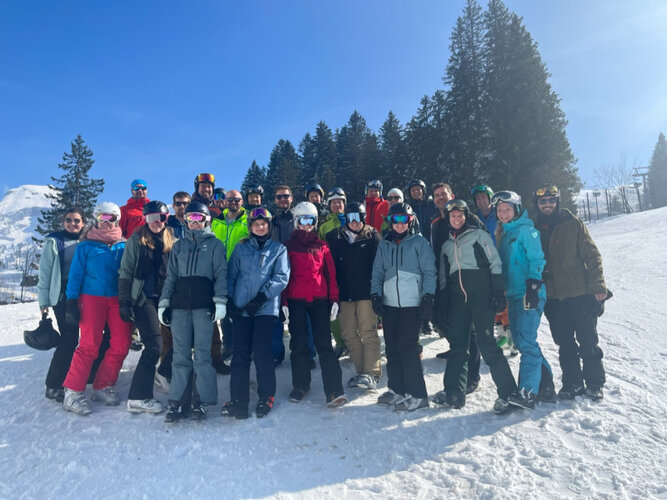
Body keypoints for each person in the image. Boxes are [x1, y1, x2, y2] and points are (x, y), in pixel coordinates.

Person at [433, 199, 519, 414]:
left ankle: (509, 394)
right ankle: (453, 392)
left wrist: (498, 292)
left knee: (487, 344)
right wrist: (442, 304)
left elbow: (495, 262)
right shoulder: (446, 246)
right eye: (453, 216)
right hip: (458, 301)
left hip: (482, 298)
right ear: (448, 219)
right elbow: (444, 277)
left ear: (466, 216)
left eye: (460, 215)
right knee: (458, 346)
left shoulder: (479, 235)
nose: (457, 219)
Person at [533, 184, 609, 401]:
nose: (547, 204)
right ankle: (572, 383)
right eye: (543, 201)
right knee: (565, 343)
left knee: (588, 341)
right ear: (537, 204)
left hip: (580, 293)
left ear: (557, 201)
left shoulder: (572, 223)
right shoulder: (534, 228)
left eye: (551, 200)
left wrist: (598, 286)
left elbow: (592, 255)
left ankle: (594, 383)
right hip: (553, 297)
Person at [158, 202, 227, 422]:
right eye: (191, 218)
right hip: (179, 307)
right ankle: (178, 401)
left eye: (199, 218)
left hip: (203, 306)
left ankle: (201, 400)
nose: (195, 222)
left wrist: (220, 301)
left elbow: (221, 275)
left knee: (203, 356)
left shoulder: (215, 245)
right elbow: (171, 277)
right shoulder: (178, 246)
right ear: (185, 221)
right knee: (180, 355)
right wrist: (164, 302)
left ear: (207, 220)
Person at [61, 202, 131, 415]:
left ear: (117, 220)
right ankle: (72, 392)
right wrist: (72, 301)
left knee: (122, 343)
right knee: (89, 344)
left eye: (111, 218)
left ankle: (103, 385)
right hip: (91, 298)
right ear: (96, 219)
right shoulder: (86, 246)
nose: (106, 222)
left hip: (116, 298)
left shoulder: (123, 245)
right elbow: (75, 275)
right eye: (102, 217)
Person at [222, 207, 290, 419]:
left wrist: (261, 298)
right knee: (240, 353)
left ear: (269, 226)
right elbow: (231, 274)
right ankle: (239, 400)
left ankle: (266, 396)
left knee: (262, 352)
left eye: (263, 224)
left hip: (265, 309)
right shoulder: (241, 249)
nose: (260, 227)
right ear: (250, 227)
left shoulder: (278, 249)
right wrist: (230, 300)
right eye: (256, 224)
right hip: (242, 308)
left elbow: (281, 277)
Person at [493, 190, 556, 409]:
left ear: (517, 209)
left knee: (527, 342)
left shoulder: (526, 231)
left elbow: (537, 259)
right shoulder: (505, 235)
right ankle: (546, 388)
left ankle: (527, 393)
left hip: (529, 293)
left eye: (507, 209)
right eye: (499, 210)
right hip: (513, 295)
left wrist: (533, 286)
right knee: (521, 342)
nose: (503, 213)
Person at [370, 202, 435, 412]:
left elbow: (429, 271)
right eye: (396, 219)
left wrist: (428, 297)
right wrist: (375, 295)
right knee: (391, 348)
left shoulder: (419, 242)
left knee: (408, 348)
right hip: (389, 303)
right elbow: (378, 271)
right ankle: (397, 389)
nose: (400, 224)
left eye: (404, 219)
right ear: (390, 221)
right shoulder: (385, 244)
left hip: (411, 304)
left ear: (410, 221)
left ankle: (418, 394)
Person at [283, 202, 348, 408]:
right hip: (296, 301)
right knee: (299, 344)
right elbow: (284, 276)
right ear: (296, 221)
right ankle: (300, 385)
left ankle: (334, 390)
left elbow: (331, 275)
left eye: (310, 220)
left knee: (324, 345)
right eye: (303, 220)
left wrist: (334, 299)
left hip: (320, 300)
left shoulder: (322, 246)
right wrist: (284, 302)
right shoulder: (288, 246)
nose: (307, 224)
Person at [118, 201, 174, 414]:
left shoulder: (172, 240)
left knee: (184, 337)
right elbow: (125, 271)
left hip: (166, 298)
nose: (156, 222)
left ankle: (164, 371)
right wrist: (125, 301)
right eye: (151, 218)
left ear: (166, 219)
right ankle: (138, 397)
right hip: (144, 299)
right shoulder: (137, 240)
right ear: (145, 220)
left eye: (160, 218)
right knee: (153, 346)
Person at [327, 202, 381, 390]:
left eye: (358, 217)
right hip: (345, 293)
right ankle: (362, 372)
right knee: (348, 333)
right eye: (350, 217)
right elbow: (330, 266)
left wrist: (378, 292)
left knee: (368, 331)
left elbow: (379, 266)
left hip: (366, 292)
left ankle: (371, 372)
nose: (355, 222)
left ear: (364, 218)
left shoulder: (372, 236)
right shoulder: (335, 237)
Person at [38, 208, 85, 402]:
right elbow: (45, 272)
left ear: (83, 223)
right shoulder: (55, 241)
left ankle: (76, 377)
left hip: (86, 295)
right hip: (62, 295)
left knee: (87, 340)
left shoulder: (88, 240)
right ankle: (54, 384)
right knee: (69, 339)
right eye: (69, 220)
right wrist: (43, 301)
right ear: (63, 222)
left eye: (77, 220)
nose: (73, 224)